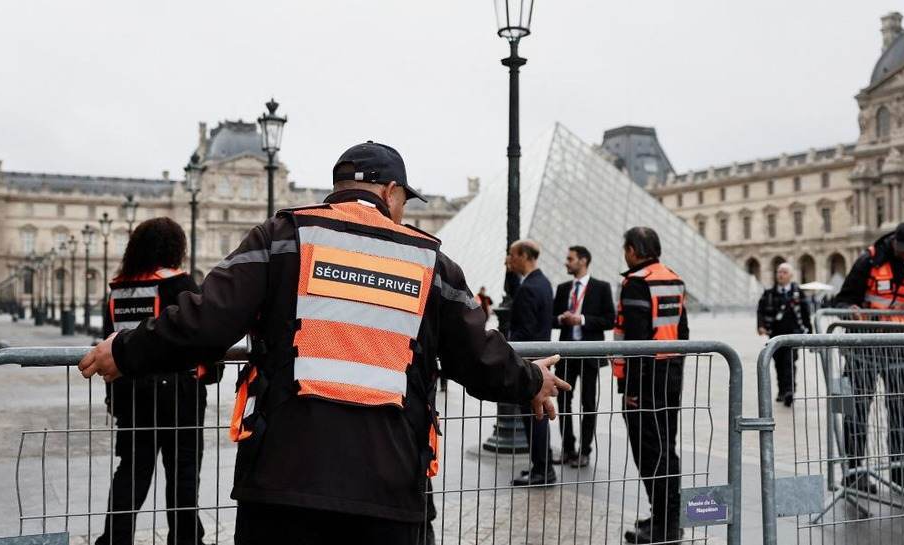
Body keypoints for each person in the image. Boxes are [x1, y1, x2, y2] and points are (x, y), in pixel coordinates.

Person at [78, 141, 569, 544]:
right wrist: (531, 381)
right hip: (390, 481)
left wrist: (123, 351)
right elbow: (477, 353)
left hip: (282, 478)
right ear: (391, 192)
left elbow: (204, 319)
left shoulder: (282, 237)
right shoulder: (429, 261)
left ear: (338, 189)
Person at [96, 218, 218, 545]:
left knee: (131, 472)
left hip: (130, 392)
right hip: (178, 394)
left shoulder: (119, 288)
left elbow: (108, 344)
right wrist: (210, 374)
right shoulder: (179, 283)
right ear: (176, 248)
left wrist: (113, 395)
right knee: (183, 473)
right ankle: (185, 539)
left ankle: (115, 539)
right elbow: (202, 332)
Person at [832, 222, 904, 497]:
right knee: (856, 411)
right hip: (863, 348)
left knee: (900, 413)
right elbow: (842, 299)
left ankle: (901, 474)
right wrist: (849, 309)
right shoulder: (869, 260)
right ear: (894, 241)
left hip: (899, 350)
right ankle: (854, 474)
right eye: (903, 249)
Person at [613, 227, 687, 544]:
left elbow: (637, 343)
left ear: (632, 250)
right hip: (669, 375)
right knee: (666, 449)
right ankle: (667, 516)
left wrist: (631, 390)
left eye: (625, 249)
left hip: (644, 382)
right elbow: (683, 333)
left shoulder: (637, 283)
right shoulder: (673, 279)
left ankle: (663, 526)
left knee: (648, 452)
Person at [551, 245, 615, 468]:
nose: (566, 262)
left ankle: (585, 451)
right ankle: (568, 449)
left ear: (583, 260)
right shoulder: (563, 289)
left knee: (588, 403)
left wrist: (582, 319)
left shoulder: (602, 287)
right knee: (563, 402)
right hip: (566, 355)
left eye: (570, 259)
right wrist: (561, 319)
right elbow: (551, 319)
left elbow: (609, 320)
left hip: (589, 354)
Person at [504, 240, 557, 487]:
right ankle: (541, 466)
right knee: (538, 415)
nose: (509, 259)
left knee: (534, 416)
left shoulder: (529, 288)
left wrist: (508, 349)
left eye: (512, 255)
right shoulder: (542, 283)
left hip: (530, 364)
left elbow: (523, 330)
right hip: (540, 360)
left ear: (524, 255)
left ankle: (543, 470)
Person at [756, 262, 813, 407]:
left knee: (789, 362)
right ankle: (782, 390)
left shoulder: (798, 293)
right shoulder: (769, 293)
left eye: (784, 272)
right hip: (775, 334)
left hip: (793, 334)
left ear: (791, 275)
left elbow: (806, 313)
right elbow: (761, 310)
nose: (780, 274)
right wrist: (761, 325)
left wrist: (810, 333)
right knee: (778, 363)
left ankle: (789, 390)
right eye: (779, 272)